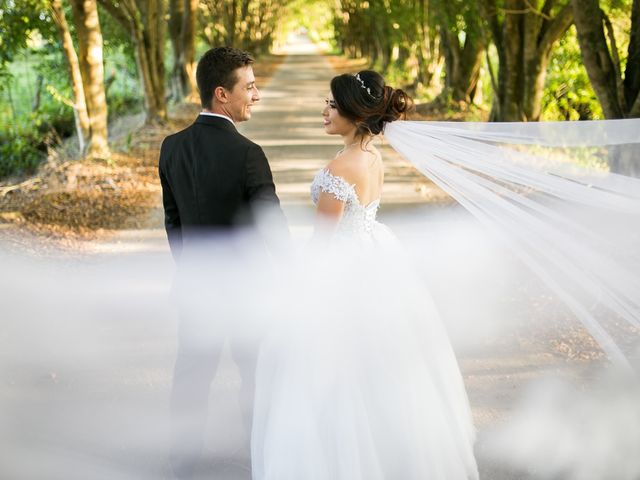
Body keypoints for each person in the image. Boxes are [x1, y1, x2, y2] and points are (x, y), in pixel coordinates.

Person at [250, 71, 479, 479]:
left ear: (356, 116)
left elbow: (324, 245)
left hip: (343, 273)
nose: (324, 111)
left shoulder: (340, 169)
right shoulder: (373, 157)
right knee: (383, 368)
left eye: (332, 105)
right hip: (376, 260)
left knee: (330, 372)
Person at [158, 46, 288, 479]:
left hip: (196, 289)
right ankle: (257, 458)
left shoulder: (172, 148)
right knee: (254, 376)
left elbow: (174, 224)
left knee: (191, 377)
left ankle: (181, 464)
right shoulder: (249, 154)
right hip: (248, 291)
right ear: (221, 94)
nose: (257, 95)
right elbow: (274, 231)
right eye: (249, 87)